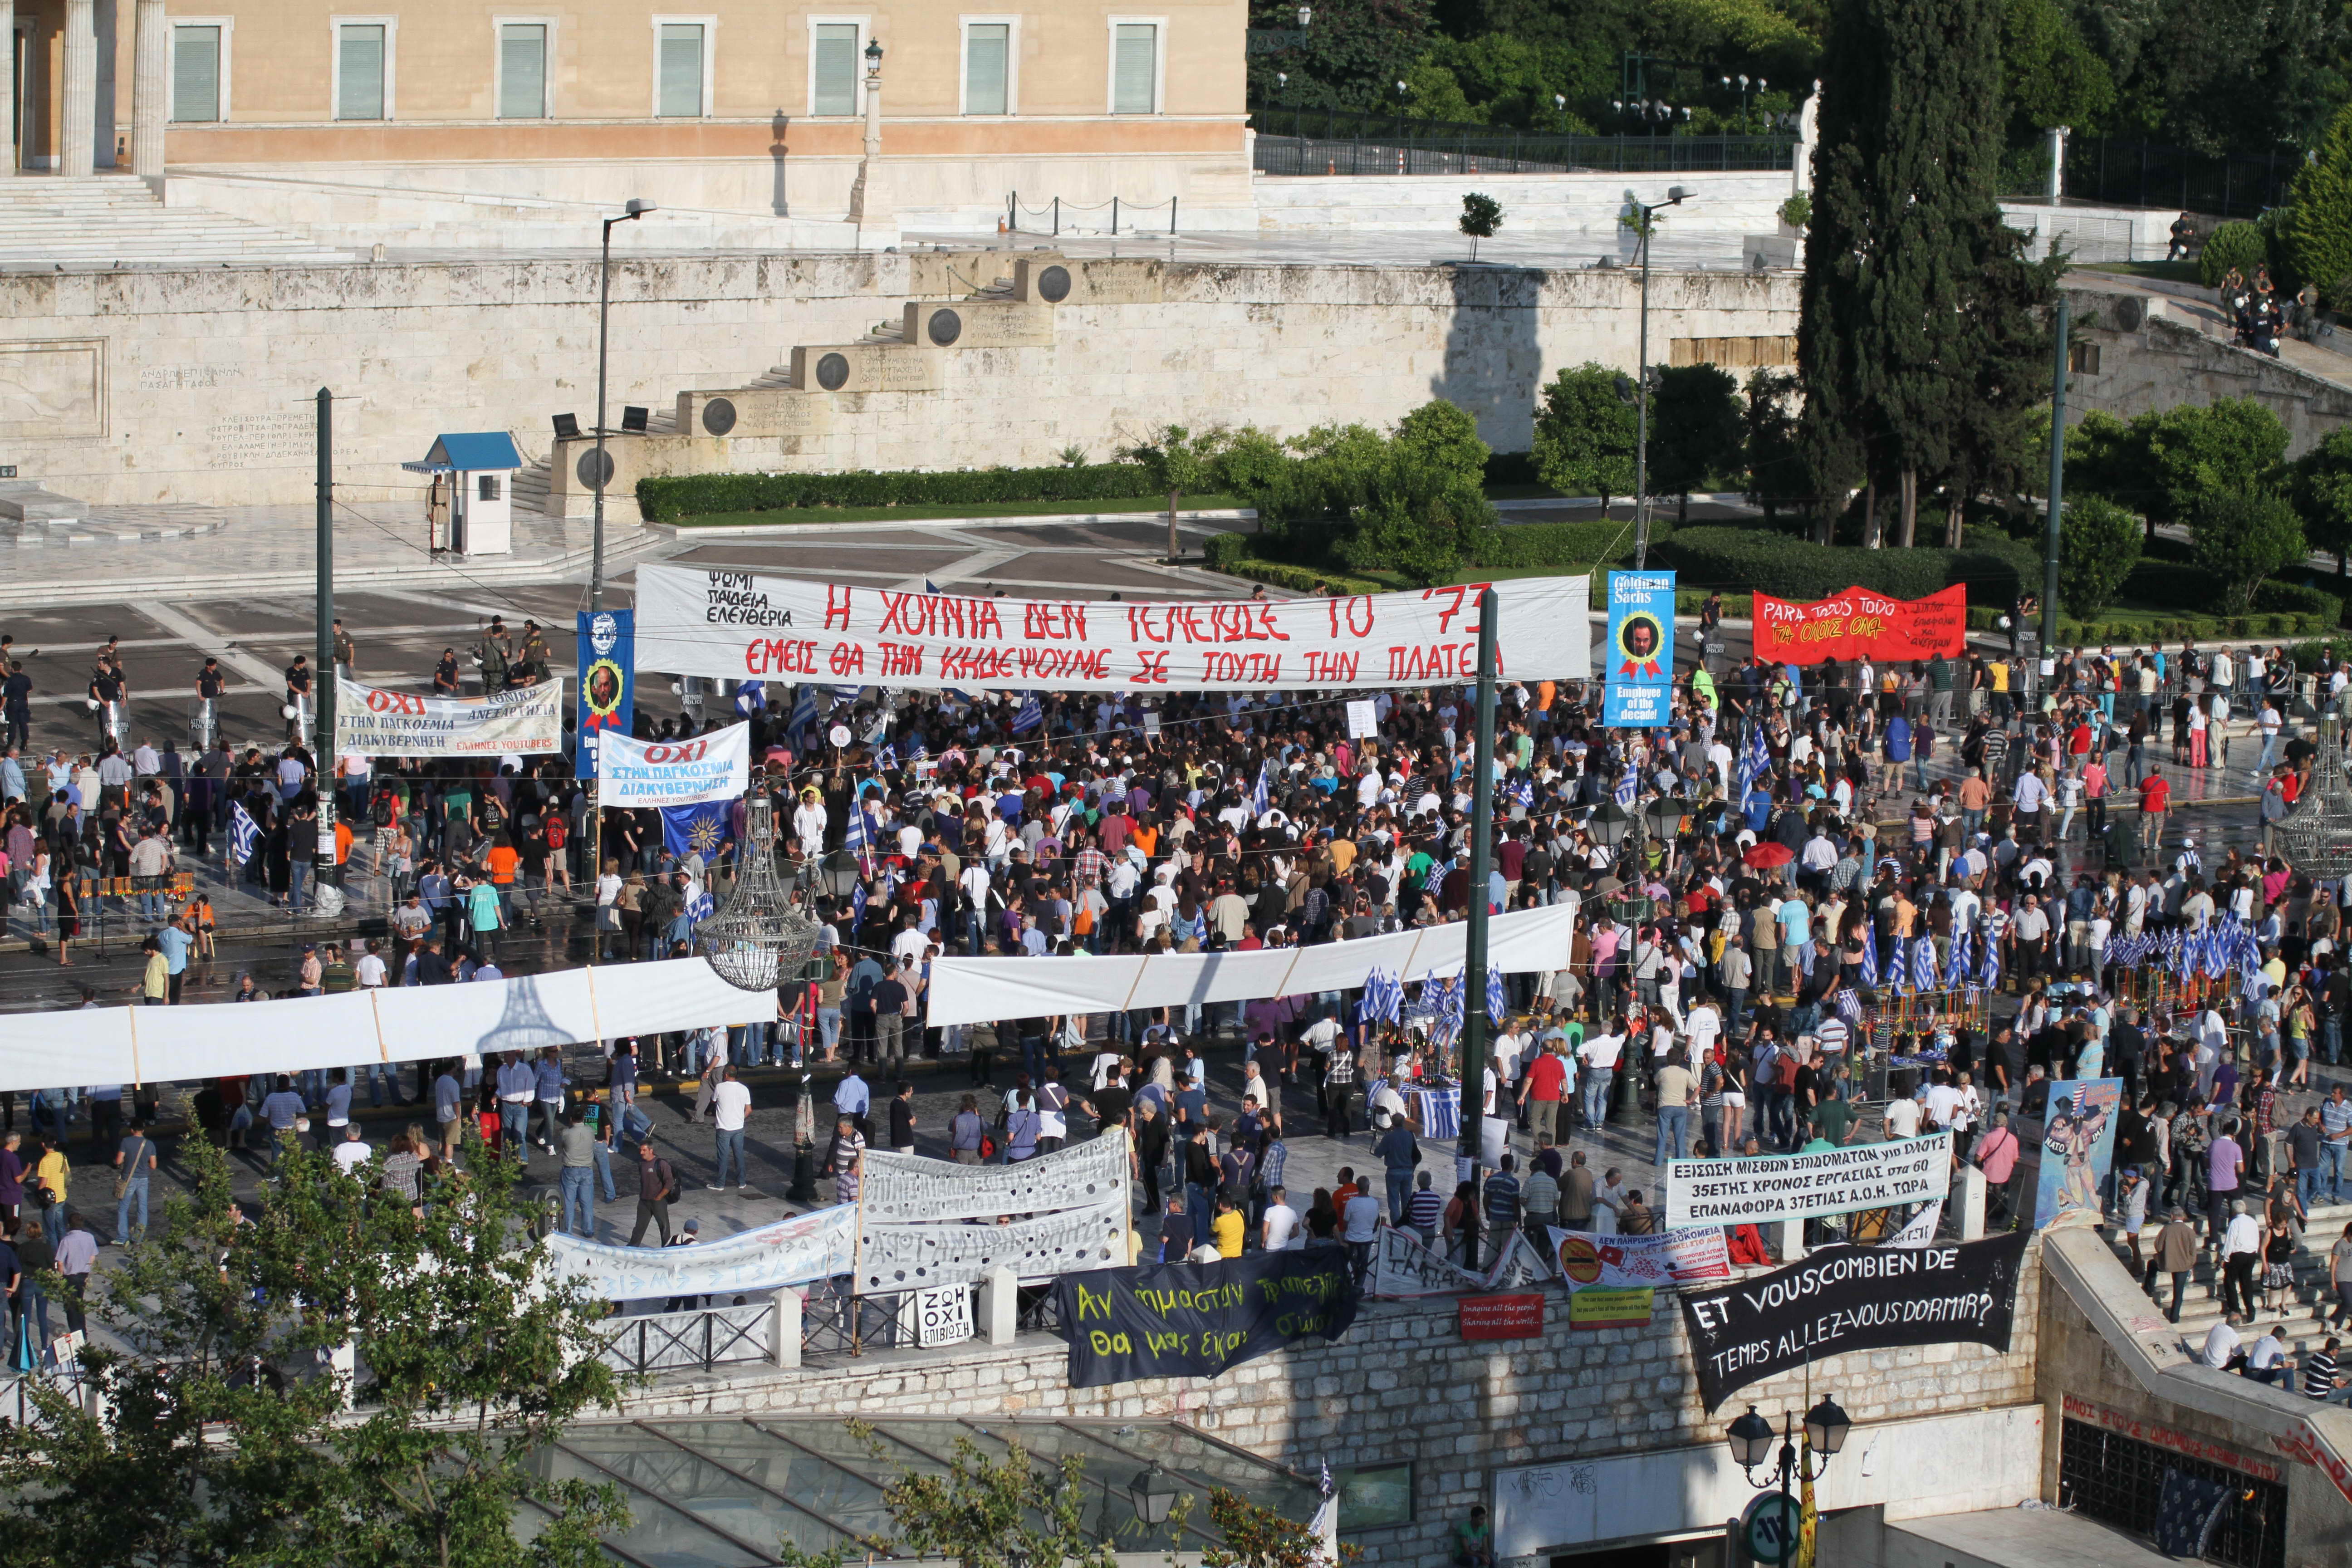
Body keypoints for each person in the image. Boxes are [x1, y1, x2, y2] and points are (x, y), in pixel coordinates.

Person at [708, 1065, 752, 1192]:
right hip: (738, 1127)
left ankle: (720, 1183)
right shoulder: (744, 1089)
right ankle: (742, 1182)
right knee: (739, 1155)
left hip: (723, 1127)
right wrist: (740, 1118)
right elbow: (749, 1110)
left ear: (726, 1075)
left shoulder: (720, 1087)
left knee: (723, 1157)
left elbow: (714, 1100)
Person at [113, 1120, 156, 1246]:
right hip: (144, 1180)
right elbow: (153, 1165)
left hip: (128, 1179)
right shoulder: (150, 1144)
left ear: (132, 1130)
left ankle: (122, 1238)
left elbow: (119, 1161)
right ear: (143, 1130)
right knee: (142, 1209)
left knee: (123, 1208)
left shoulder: (126, 1142)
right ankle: (138, 1238)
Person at [629, 1138, 678, 1246]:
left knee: (664, 1227)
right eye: (640, 1150)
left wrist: (660, 1197)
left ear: (651, 1151)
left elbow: (669, 1182)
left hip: (658, 1202)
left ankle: (667, 1248)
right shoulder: (641, 1163)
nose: (641, 1153)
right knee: (639, 1227)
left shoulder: (661, 1164)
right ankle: (632, 1247)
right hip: (644, 1202)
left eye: (644, 1150)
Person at [1451, 1504, 1495, 1568]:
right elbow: (1466, 1550)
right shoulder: (1464, 1528)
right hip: (1462, 1556)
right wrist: (1482, 1556)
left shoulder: (1484, 1527)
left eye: (1484, 1519)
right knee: (1475, 1561)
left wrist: (1486, 1556)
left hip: (1476, 1553)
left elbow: (1485, 1546)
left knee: (1493, 1558)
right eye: (1481, 1519)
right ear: (1474, 1518)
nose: (1483, 1521)